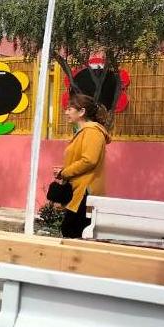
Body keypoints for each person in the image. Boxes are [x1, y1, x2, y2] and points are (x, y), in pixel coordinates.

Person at [53, 93, 112, 239]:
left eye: (69, 109)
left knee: (73, 230)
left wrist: (65, 172)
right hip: (79, 190)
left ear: (82, 112)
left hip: (86, 191)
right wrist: (63, 170)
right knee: (72, 230)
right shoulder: (84, 132)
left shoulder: (92, 132)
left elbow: (89, 160)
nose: (66, 112)